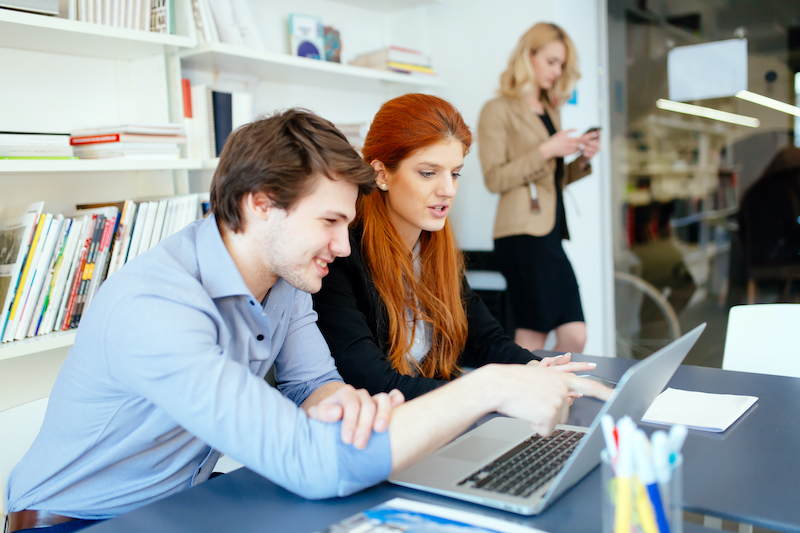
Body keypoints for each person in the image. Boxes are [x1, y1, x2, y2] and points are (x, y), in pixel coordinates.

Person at [4, 109, 610, 533]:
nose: (345, 248)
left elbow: (311, 385)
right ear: (260, 204)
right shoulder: (154, 308)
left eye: (348, 225)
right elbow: (312, 464)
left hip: (181, 505)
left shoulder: (285, 282)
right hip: (81, 522)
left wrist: (336, 402)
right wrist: (491, 385)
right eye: (329, 223)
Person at [313, 93, 596, 400]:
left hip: (438, 424)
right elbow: (375, 382)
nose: (448, 190)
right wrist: (497, 393)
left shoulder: (434, 248)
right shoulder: (341, 255)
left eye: (455, 173)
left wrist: (535, 367)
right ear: (381, 174)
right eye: (428, 173)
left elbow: (485, 338)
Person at [477, 22, 601, 353]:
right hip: (520, 236)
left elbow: (551, 182)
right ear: (528, 55)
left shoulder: (550, 110)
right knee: (533, 335)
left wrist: (582, 160)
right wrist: (548, 149)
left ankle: (556, 394)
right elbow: (494, 178)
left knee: (575, 334)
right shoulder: (497, 110)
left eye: (561, 64)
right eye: (551, 61)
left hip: (549, 234)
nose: (556, 70)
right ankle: (528, 397)